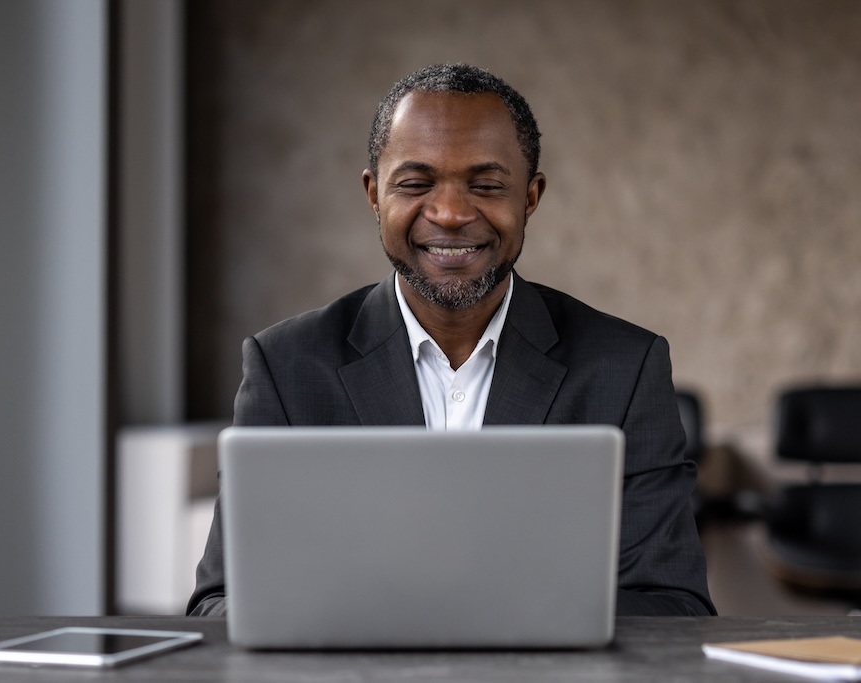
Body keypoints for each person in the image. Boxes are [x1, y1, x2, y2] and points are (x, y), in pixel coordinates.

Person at [187, 63, 715, 618]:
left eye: (486, 185)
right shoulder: (286, 368)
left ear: (531, 197)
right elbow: (218, 606)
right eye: (415, 184)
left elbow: (673, 607)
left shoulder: (625, 368)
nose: (451, 214)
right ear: (373, 194)